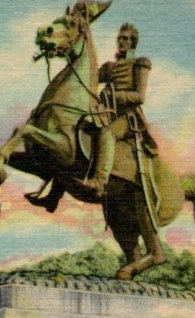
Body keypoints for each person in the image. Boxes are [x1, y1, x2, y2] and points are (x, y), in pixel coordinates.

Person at [27, 22, 155, 210]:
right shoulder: (109, 67)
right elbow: (86, 74)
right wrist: (65, 50)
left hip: (128, 118)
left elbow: (139, 96)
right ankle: (54, 196)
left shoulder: (139, 63)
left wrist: (115, 95)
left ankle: (99, 182)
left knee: (107, 134)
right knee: (73, 135)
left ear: (133, 43)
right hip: (106, 114)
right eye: (119, 37)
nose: (121, 41)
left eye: (126, 39)